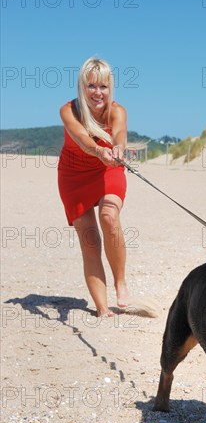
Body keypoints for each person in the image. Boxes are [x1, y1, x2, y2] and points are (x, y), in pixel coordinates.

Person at [58, 57, 129, 317]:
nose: (97, 93)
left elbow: (119, 133)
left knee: (109, 216)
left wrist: (118, 148)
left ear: (110, 88)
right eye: (91, 86)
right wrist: (99, 150)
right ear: (82, 87)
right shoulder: (68, 110)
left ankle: (120, 281)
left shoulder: (117, 111)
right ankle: (102, 308)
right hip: (74, 174)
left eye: (103, 87)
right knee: (89, 240)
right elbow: (82, 138)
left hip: (108, 167)